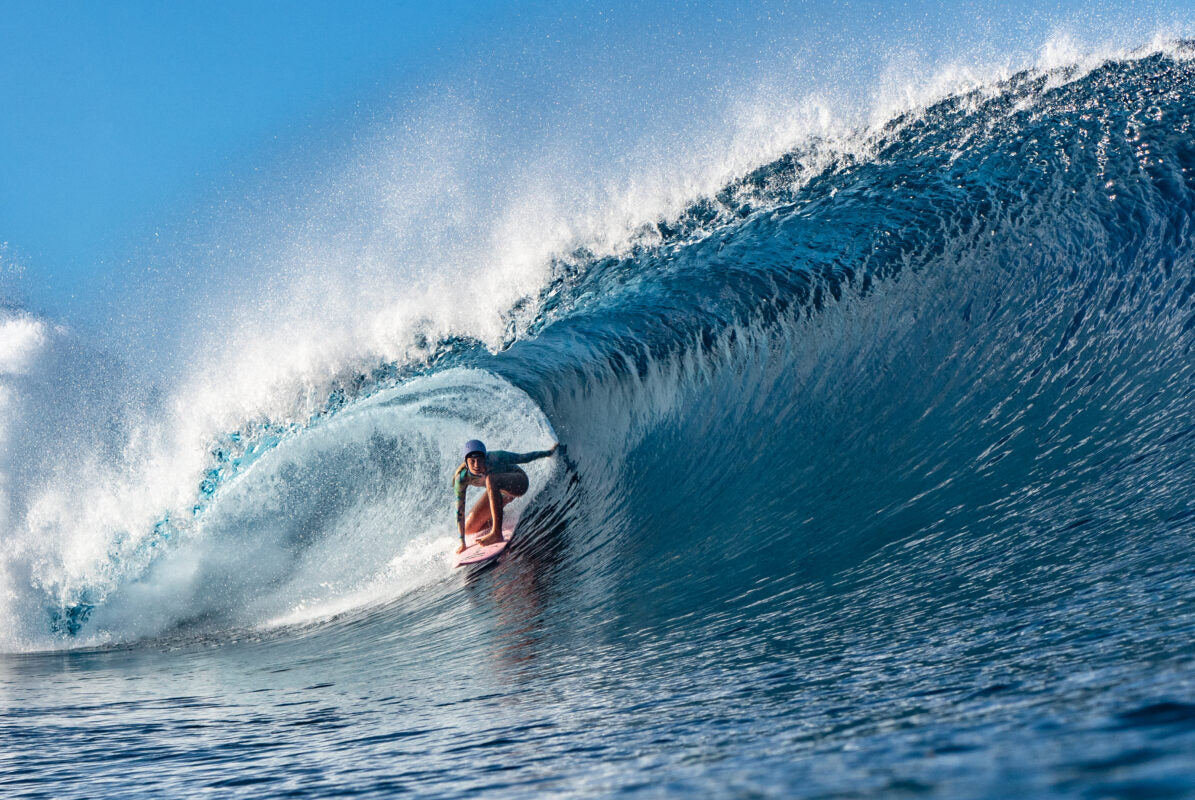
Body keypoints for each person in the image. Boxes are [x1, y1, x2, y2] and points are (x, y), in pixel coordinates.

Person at [454, 439, 560, 553]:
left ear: (485, 457)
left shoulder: (496, 457)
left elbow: (525, 458)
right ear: (466, 462)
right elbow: (460, 511)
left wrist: (549, 453)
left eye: (480, 460)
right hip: (497, 492)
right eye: (472, 461)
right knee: (469, 529)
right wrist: (462, 543)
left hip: (518, 483)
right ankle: (497, 519)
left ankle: (496, 533)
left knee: (491, 479)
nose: (476, 465)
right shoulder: (462, 479)